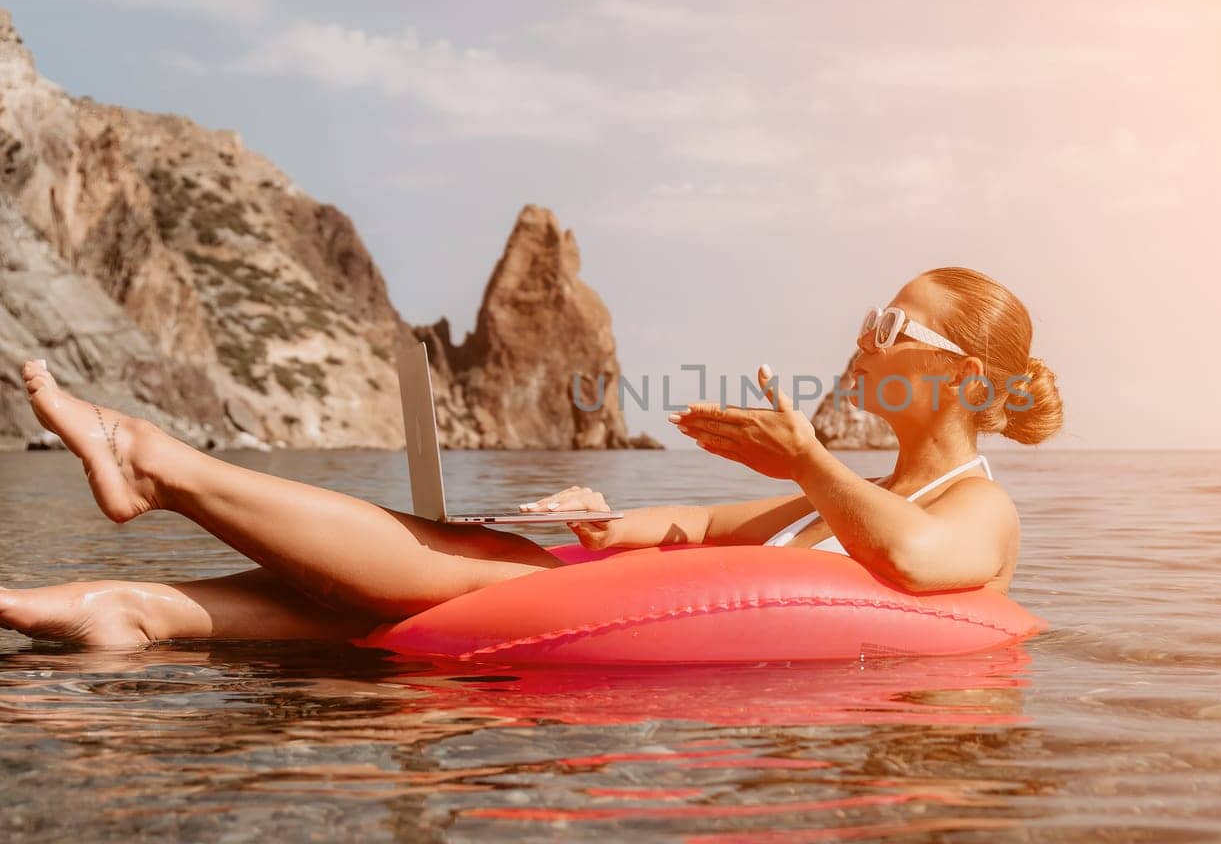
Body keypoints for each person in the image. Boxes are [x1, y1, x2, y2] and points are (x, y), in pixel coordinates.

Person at [0, 267, 1062, 647]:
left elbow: (921, 566)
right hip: (626, 603)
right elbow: (695, 530)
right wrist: (601, 522)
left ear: (964, 378)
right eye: (874, 313)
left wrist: (806, 467)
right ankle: (129, 607)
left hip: (653, 659)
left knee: (448, 564)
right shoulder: (872, 493)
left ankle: (155, 462)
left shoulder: (980, 509)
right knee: (457, 560)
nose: (866, 336)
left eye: (896, 328)